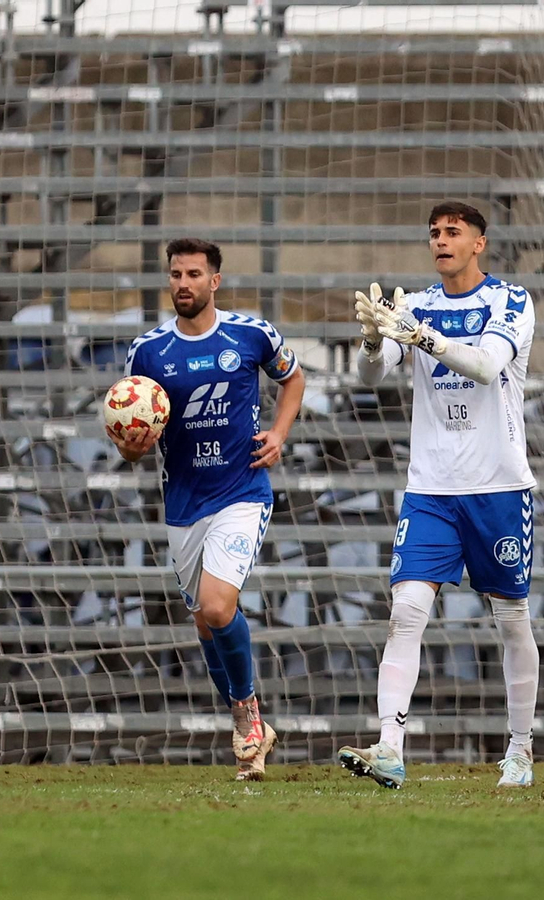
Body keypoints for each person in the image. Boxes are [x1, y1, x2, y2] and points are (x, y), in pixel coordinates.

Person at [337, 201, 539, 790]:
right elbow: (371, 378)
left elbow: (482, 365)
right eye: (434, 234)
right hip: (431, 489)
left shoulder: (510, 301)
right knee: (405, 613)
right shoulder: (416, 303)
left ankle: (520, 750)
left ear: (480, 242)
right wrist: (374, 341)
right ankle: (390, 748)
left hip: (498, 487)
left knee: (510, 621)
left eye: (453, 233)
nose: (441, 241)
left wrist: (419, 336)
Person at [111, 238, 305, 781]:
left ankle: (246, 719)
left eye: (194, 274)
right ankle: (253, 732)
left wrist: (280, 434)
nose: (183, 284)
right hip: (184, 504)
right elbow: (130, 444)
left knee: (219, 608)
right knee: (204, 623)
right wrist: (132, 444)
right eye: (176, 274)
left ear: (214, 281)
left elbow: (293, 378)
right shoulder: (147, 352)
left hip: (242, 492)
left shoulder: (250, 334)